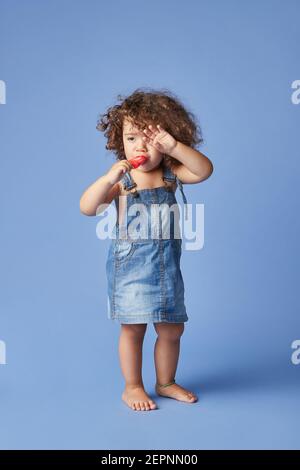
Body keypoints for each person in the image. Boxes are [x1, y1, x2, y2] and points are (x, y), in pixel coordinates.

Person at [80, 88, 213, 411]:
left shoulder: (171, 174)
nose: (140, 146)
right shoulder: (123, 182)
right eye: (131, 138)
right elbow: (87, 207)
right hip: (131, 268)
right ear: (118, 142)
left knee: (172, 328)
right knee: (134, 327)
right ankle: (133, 386)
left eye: (151, 138)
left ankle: (165, 382)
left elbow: (204, 170)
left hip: (167, 267)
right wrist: (106, 178)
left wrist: (175, 148)